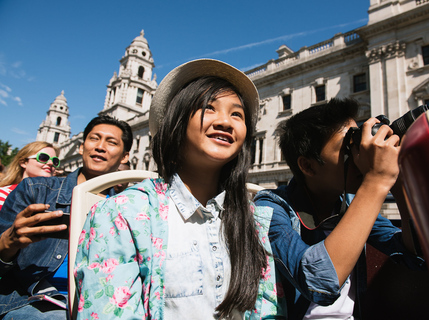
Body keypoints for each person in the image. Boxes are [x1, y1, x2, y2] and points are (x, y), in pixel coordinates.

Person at [74, 59, 285, 319]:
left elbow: (267, 310)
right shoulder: (120, 214)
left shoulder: (255, 222)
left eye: (237, 114)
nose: (225, 122)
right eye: (209, 107)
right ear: (176, 121)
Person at [254, 98, 424, 319]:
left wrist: (399, 182)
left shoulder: (351, 203)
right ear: (308, 166)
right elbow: (318, 283)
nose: (359, 154)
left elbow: (415, 255)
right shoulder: (270, 208)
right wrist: (376, 181)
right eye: (348, 148)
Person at [0, 115, 132, 319]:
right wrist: (8, 243)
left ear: (124, 157)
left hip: (101, 307)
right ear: (81, 147)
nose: (100, 147)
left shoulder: (130, 209)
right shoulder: (36, 191)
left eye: (111, 142)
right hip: (31, 301)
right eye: (94, 138)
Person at [0, 141, 60, 211]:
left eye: (55, 161)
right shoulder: (3, 194)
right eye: (43, 158)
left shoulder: (56, 198)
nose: (50, 163)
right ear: (23, 163)